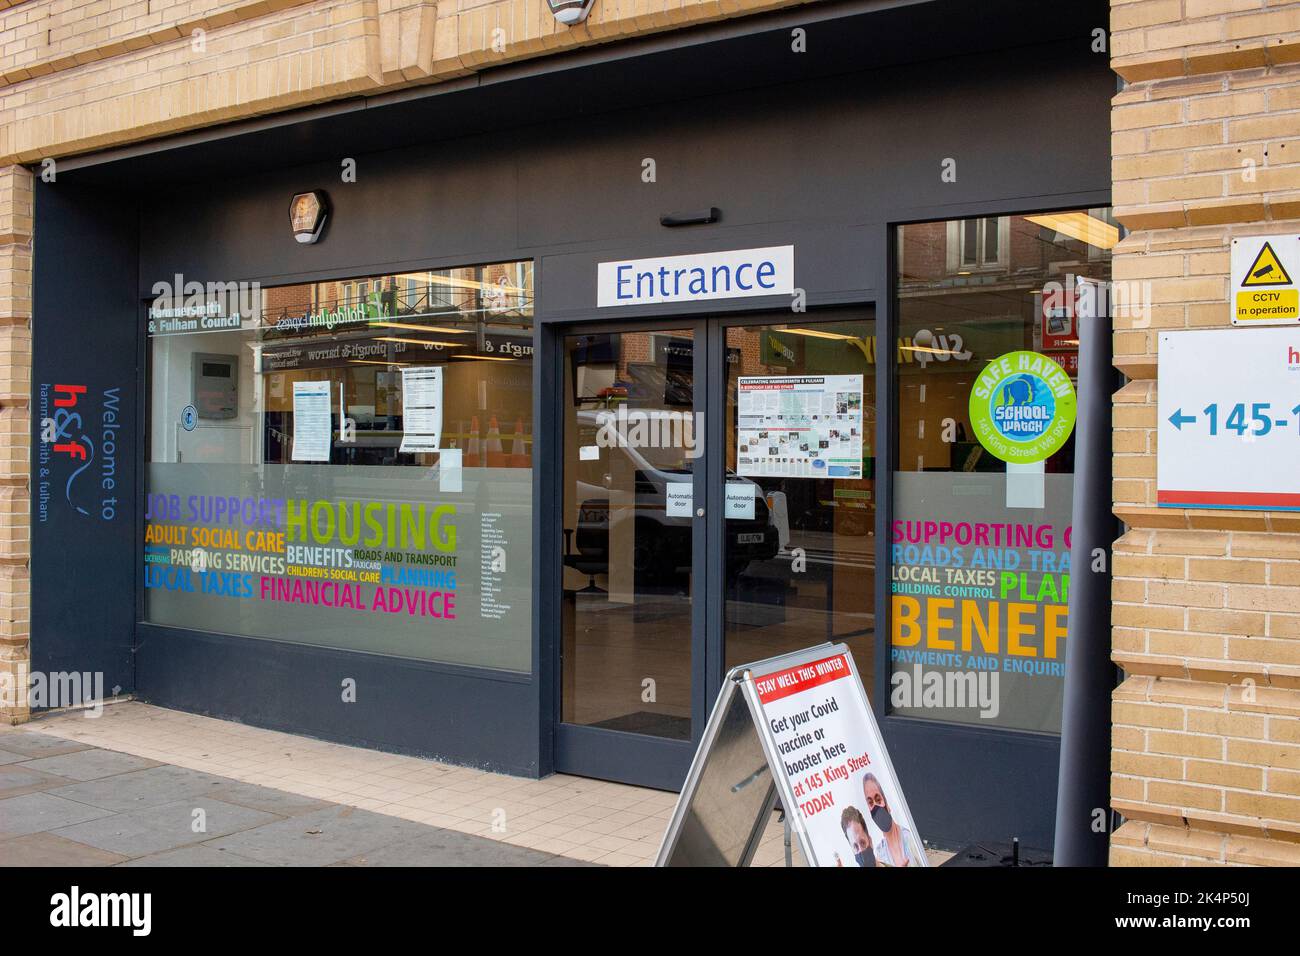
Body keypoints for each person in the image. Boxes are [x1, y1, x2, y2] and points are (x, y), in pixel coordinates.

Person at [862, 772, 923, 867]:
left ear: (886, 803)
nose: (876, 807)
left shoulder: (910, 838)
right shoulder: (880, 853)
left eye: (878, 800)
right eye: (870, 803)